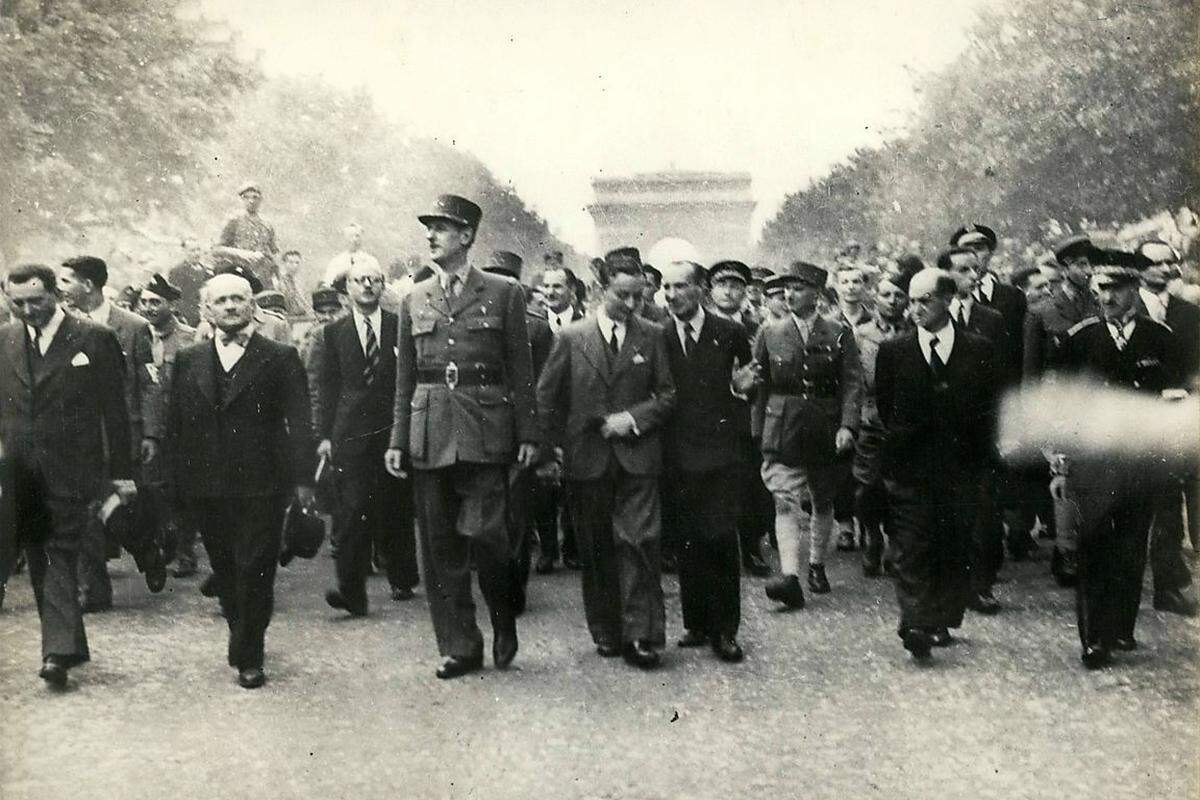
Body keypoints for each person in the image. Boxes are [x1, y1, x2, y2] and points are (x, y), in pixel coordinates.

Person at [384, 194, 538, 680]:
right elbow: (405, 378)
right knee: (440, 547)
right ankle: (460, 645)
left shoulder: (503, 292)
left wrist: (528, 433)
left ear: (467, 236)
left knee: (487, 536)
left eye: (443, 228)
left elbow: (520, 371)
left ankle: (502, 615)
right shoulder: (414, 298)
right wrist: (396, 439)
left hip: (485, 430)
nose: (431, 236)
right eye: (429, 228)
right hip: (430, 429)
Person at [167, 271, 314, 689]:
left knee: (255, 567)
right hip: (207, 484)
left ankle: (251, 653)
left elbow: (300, 422)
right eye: (222, 301)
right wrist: (176, 484)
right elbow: (177, 424)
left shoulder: (280, 356)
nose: (231, 306)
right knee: (226, 567)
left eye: (239, 299)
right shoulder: (189, 359)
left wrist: (304, 482)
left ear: (253, 305)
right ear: (207, 309)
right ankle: (240, 629)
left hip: (263, 483)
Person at [536, 246, 676, 669]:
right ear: (601, 289)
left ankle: (641, 636)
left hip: (637, 458)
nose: (632, 305)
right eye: (623, 296)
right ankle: (607, 630)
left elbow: (668, 395)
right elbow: (547, 398)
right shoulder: (571, 337)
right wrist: (550, 450)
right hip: (587, 459)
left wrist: (632, 418)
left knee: (639, 544)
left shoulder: (651, 334)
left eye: (639, 297)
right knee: (596, 548)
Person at [0, 263, 137, 687]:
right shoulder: (4, 339)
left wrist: (122, 473)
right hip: (21, 469)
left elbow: (117, 411)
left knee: (58, 548)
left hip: (74, 469)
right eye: (16, 302)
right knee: (39, 553)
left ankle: (56, 652)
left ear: (56, 294)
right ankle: (68, 642)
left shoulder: (94, 338)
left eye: (35, 301)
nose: (27, 310)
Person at [1053, 256, 1185, 668]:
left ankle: (1121, 627)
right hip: (1093, 462)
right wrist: (1060, 462)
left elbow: (1177, 397)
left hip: (1142, 463)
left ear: (1134, 291)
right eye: (1101, 288)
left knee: (1130, 547)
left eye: (1116, 289)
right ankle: (1094, 638)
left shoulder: (1160, 338)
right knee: (1093, 546)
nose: (1106, 296)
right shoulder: (1080, 339)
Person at [875, 268, 1001, 659]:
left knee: (953, 543)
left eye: (924, 300)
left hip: (961, 469)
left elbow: (989, 408)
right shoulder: (894, 351)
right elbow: (886, 406)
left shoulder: (978, 349)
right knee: (910, 546)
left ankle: (941, 618)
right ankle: (914, 622)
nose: (914, 309)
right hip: (910, 469)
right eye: (910, 301)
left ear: (947, 300)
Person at [309, 257, 419, 616]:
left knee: (396, 507)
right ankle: (352, 592)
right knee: (350, 511)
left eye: (374, 279)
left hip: (392, 431)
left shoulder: (400, 325)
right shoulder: (332, 333)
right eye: (359, 281)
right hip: (350, 436)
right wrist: (323, 435)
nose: (367, 286)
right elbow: (324, 388)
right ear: (348, 289)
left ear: (383, 284)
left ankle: (402, 577)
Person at [660, 260, 755, 662]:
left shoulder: (729, 333)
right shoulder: (658, 335)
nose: (671, 294)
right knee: (687, 540)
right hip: (675, 455)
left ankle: (725, 629)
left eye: (680, 286)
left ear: (700, 288)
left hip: (720, 454)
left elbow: (746, 385)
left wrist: (739, 393)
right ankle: (696, 623)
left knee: (718, 538)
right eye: (666, 287)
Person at [752, 261, 862, 608]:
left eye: (797, 288)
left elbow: (852, 383)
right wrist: (758, 431)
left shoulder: (838, 332)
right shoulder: (769, 332)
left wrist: (847, 425)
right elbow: (760, 385)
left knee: (822, 498)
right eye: (786, 288)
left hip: (824, 425)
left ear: (816, 293)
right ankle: (790, 577)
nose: (789, 294)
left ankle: (816, 564)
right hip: (783, 426)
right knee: (783, 499)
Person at [57, 255, 163, 611]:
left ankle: (146, 546)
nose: (62, 287)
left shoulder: (132, 326)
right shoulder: (64, 326)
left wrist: (150, 432)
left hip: (122, 430)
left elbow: (149, 384)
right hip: (80, 435)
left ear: (88, 284)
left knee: (115, 503)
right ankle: (97, 586)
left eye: (67, 280)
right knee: (90, 506)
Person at [939, 246, 1019, 598]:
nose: (973, 276)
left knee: (986, 508)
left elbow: (1004, 376)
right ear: (945, 276)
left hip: (981, 427)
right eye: (962, 270)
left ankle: (981, 585)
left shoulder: (992, 319)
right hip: (942, 428)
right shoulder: (932, 315)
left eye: (975, 270)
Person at [1021, 234, 1100, 586]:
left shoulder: (1100, 304)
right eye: (1081, 264)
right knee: (1064, 471)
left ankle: (1088, 545)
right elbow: (1031, 371)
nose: (1089, 270)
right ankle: (1066, 550)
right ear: (1065, 268)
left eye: (1090, 264)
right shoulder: (1042, 311)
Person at [482, 251, 552, 615]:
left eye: (505, 280)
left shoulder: (537, 328)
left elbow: (546, 387)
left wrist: (540, 440)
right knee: (485, 514)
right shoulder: (474, 321)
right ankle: (494, 582)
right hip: (480, 429)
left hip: (519, 430)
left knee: (516, 515)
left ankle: (513, 589)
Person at [1133, 240, 1199, 616]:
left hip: (1175, 421)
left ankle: (1169, 585)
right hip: (1133, 421)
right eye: (1157, 263)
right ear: (1141, 269)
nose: (1167, 268)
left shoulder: (1189, 314)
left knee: (1169, 504)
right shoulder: (1125, 307)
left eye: (1171, 262)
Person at [132, 275, 200, 578]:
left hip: (183, 427)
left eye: (155, 302)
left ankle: (184, 553)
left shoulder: (189, 338)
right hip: (148, 426)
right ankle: (163, 546)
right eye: (144, 302)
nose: (148, 308)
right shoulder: (137, 336)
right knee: (151, 490)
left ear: (171, 305)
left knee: (182, 490)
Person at [709, 260, 773, 576]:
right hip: (709, 417)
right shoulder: (700, 324)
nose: (729, 291)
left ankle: (751, 547)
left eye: (736, 286)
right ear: (711, 289)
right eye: (723, 285)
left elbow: (762, 371)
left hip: (745, 415)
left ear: (745, 291)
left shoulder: (757, 327)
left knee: (751, 484)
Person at [852, 268, 912, 577]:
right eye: (886, 294)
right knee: (867, 487)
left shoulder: (915, 331)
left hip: (904, 420)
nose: (891, 301)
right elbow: (853, 379)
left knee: (900, 487)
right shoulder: (862, 334)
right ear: (875, 297)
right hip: (870, 419)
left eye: (899, 295)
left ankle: (895, 543)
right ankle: (872, 535)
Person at [536, 265, 586, 572]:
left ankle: (572, 546)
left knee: (575, 482)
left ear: (572, 291)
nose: (551, 292)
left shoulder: (586, 325)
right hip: (544, 415)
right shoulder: (532, 324)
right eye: (547, 286)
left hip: (576, 413)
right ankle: (547, 549)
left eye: (558, 286)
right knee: (541, 482)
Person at [215, 182, 278, 287]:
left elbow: (275, 252)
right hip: (240, 274)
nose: (251, 201)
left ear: (261, 200)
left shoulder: (267, 225)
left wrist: (276, 276)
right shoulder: (234, 221)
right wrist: (243, 254)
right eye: (246, 197)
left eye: (255, 197)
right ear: (241, 200)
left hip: (263, 277)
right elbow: (217, 249)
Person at [168, 238, 213, 326]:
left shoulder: (207, 271)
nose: (196, 253)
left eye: (198, 249)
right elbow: (174, 297)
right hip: (187, 316)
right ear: (185, 252)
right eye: (192, 251)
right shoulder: (177, 271)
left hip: (205, 315)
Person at [324, 223, 383, 288]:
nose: (354, 239)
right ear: (345, 238)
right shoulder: (336, 262)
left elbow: (379, 282)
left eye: (357, 236)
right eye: (350, 236)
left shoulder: (371, 260)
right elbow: (328, 283)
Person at [275, 250, 311, 316]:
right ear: (284, 263)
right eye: (291, 262)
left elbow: (304, 300)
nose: (294, 266)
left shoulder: (299, 282)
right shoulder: (279, 281)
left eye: (297, 263)